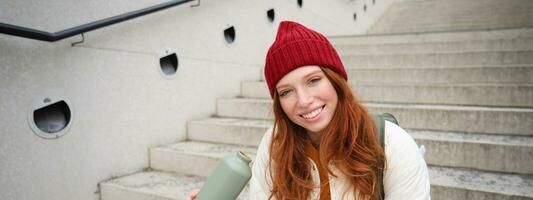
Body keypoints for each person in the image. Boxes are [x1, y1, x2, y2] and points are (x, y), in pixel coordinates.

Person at [188, 21, 430, 200]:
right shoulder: (274, 144)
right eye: (286, 92)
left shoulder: (392, 145)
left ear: (336, 81)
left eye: (313, 80)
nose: (303, 100)